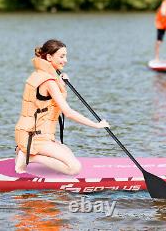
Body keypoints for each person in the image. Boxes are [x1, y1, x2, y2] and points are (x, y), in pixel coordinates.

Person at [15, 39, 109, 174]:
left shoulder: (41, 75)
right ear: (49, 57)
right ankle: (30, 156)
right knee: (74, 168)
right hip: (35, 137)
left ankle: (24, 151)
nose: (65, 60)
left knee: (67, 152)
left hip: (34, 134)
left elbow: (48, 103)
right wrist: (96, 125)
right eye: (61, 56)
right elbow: (68, 112)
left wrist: (61, 82)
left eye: (65, 56)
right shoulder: (49, 82)